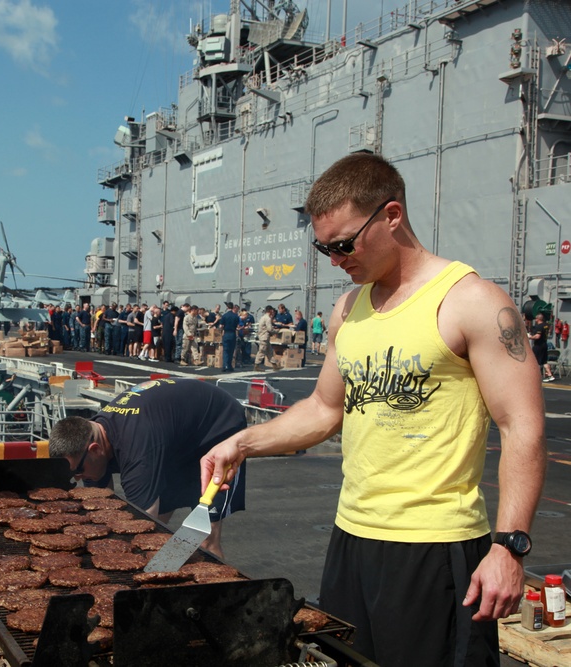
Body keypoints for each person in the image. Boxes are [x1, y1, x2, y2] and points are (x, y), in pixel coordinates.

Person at [200, 153, 547, 666]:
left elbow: (523, 426)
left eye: (343, 244)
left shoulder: (470, 301)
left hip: (435, 546)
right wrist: (241, 443)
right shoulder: (348, 308)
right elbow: (323, 408)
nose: (336, 259)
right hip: (353, 537)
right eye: (324, 248)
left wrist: (509, 547)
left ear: (391, 215)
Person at [49, 379, 247, 559]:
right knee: (159, 529)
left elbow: (141, 528)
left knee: (203, 542)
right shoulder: (92, 438)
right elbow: (100, 503)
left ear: (94, 449)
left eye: (78, 472)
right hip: (174, 440)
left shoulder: (137, 451)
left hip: (219, 427)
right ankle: (168, 568)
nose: (78, 478)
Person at [530, 313, 556, 382]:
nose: (535, 320)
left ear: (538, 319)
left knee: (535, 361)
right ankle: (550, 375)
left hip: (538, 345)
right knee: (544, 361)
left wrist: (530, 337)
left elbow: (537, 336)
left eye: (536, 318)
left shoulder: (539, 326)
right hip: (544, 344)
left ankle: (536, 376)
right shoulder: (546, 325)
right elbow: (549, 330)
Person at [252, 305, 278, 371]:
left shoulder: (263, 317)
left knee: (269, 351)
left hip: (263, 336)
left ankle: (275, 365)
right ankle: (256, 365)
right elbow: (269, 328)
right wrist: (276, 331)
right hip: (264, 337)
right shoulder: (268, 318)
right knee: (262, 351)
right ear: (270, 310)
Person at [216, 303, 240, 372]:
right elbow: (237, 326)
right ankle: (229, 365)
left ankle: (225, 365)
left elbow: (221, 326)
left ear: (227, 307)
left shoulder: (224, 316)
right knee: (231, 350)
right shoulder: (236, 316)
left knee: (225, 350)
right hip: (233, 333)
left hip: (226, 333)